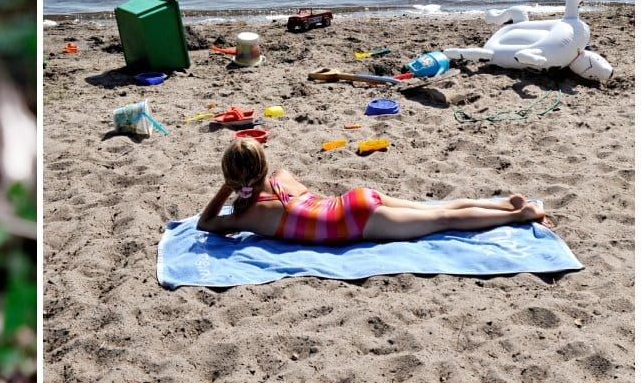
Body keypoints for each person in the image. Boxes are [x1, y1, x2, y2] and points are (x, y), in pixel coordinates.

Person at [197, 137, 549, 243]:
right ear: (263, 165)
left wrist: (225, 190)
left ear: (230, 177)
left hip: (354, 222)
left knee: (442, 219)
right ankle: (505, 203)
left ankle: (519, 214)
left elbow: (205, 224)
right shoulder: (283, 176)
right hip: (353, 199)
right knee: (430, 207)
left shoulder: (248, 216)